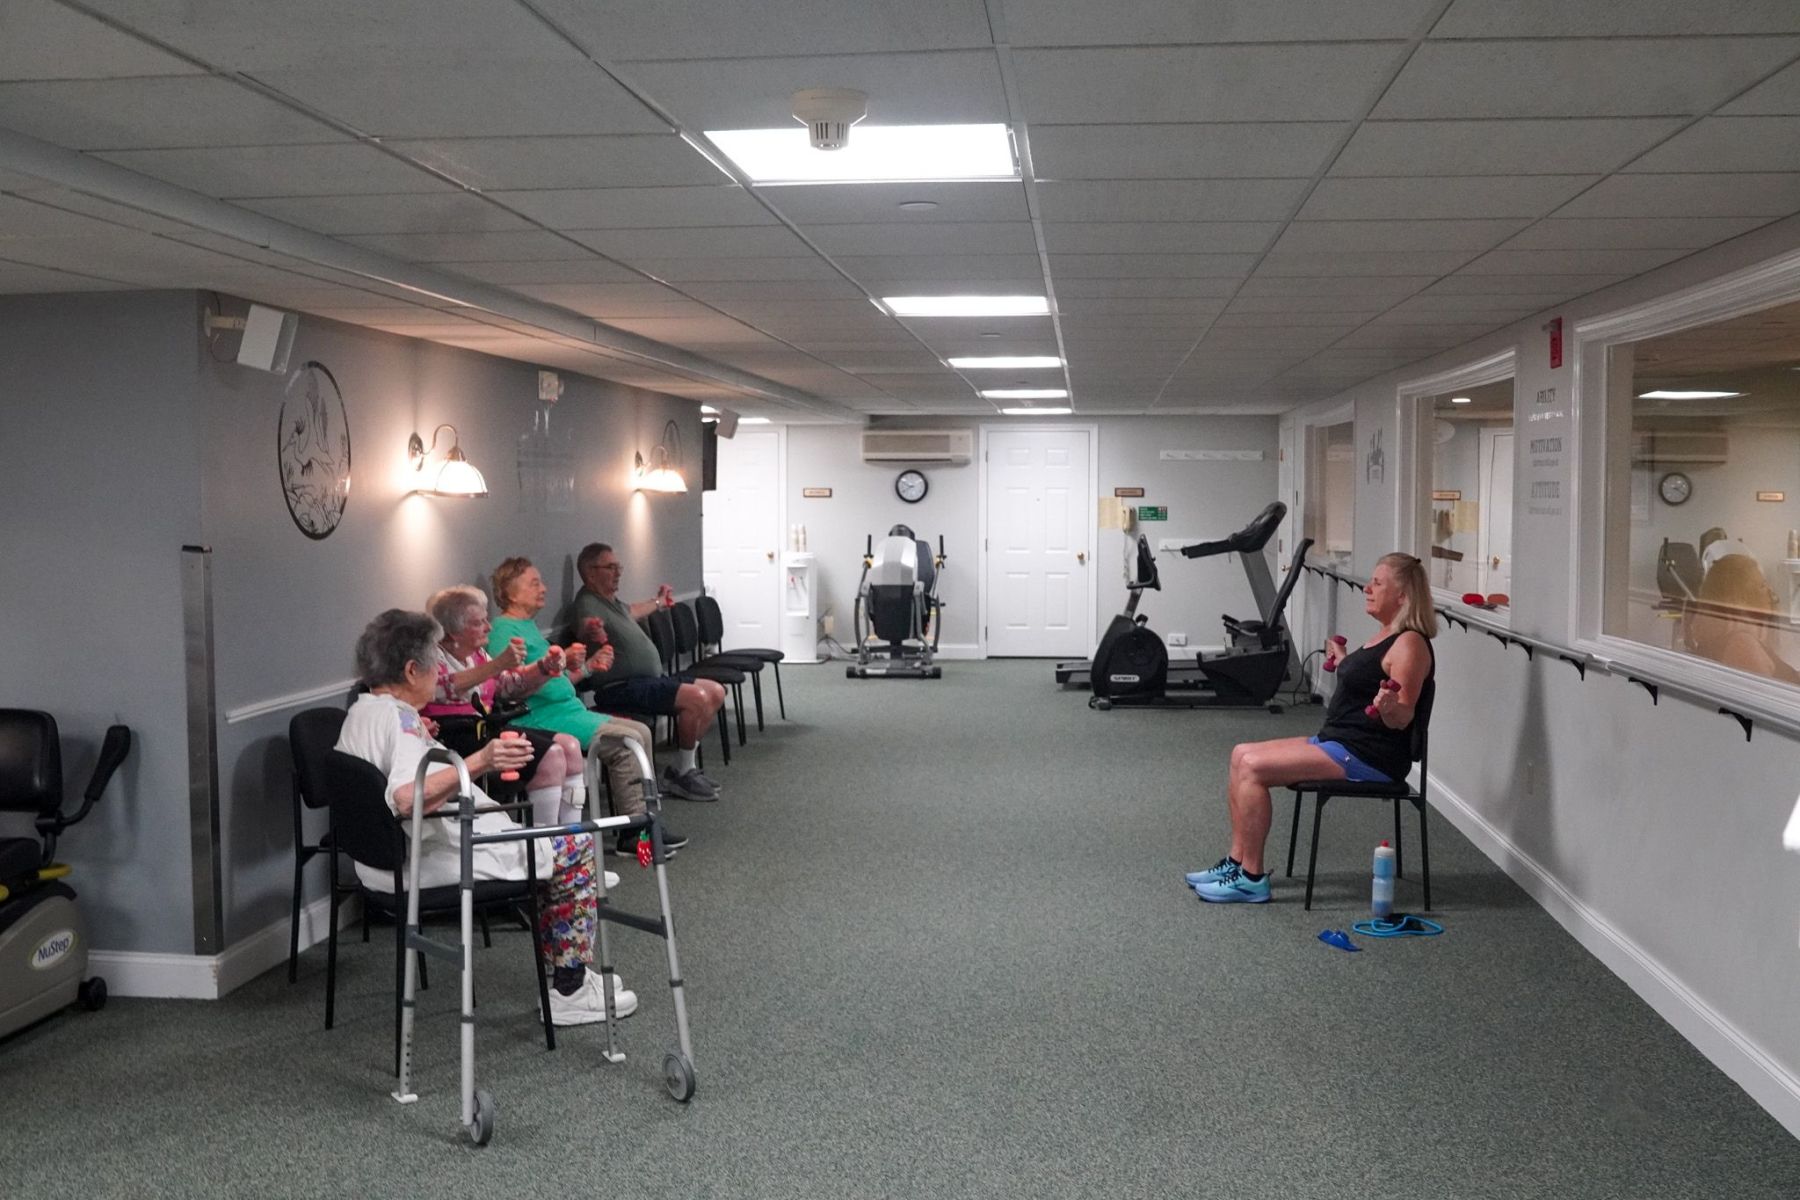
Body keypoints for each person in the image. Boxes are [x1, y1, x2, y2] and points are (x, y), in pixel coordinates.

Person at [334, 609, 637, 1024]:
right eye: (434, 662)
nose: (440, 671)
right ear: (411, 670)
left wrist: (423, 741)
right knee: (575, 848)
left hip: (385, 862)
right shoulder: (398, 717)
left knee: (549, 846)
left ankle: (569, 973)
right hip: (426, 861)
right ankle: (570, 988)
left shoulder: (363, 710)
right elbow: (405, 799)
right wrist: (481, 761)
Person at [1186, 552, 1437, 904]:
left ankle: (1251, 879)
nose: (1367, 588)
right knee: (1240, 754)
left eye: (1377, 583)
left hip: (1369, 756)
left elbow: (1404, 716)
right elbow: (1369, 677)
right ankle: (1236, 861)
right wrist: (1344, 661)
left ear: (1403, 596)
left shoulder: (1410, 644)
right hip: (1339, 741)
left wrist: (1390, 706)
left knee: (1254, 768)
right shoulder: (1386, 634)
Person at [486, 557, 688, 857]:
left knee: (642, 732)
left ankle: (647, 822)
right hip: (540, 718)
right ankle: (634, 834)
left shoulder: (527, 627)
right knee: (626, 742)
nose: (544, 588)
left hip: (568, 710)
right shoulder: (504, 631)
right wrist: (557, 664)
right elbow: (513, 688)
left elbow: (558, 680)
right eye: (534, 583)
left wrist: (589, 666)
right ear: (511, 593)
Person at [423, 585, 594, 831]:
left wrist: (543, 668)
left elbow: (507, 687)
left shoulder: (477, 655)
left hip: (486, 731)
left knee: (570, 746)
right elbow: (443, 687)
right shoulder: (431, 657)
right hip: (454, 737)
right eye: (478, 623)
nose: (488, 627)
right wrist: (499, 663)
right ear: (452, 631)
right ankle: (545, 842)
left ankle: (571, 836)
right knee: (552, 755)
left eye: (486, 620)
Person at [571, 542, 726, 803]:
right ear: (590, 573)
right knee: (697, 698)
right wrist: (592, 629)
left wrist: (658, 602)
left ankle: (681, 768)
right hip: (622, 687)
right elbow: (585, 625)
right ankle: (683, 773)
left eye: (618, 566)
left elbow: (632, 610)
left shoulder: (611, 602)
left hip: (647, 681)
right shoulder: (587, 602)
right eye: (611, 567)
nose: (618, 572)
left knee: (716, 691)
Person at [1690, 553, 1800, 684]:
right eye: (1762, 585)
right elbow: (1766, 693)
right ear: (1740, 598)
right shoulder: (1742, 645)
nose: (1771, 592)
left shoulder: (1735, 638)